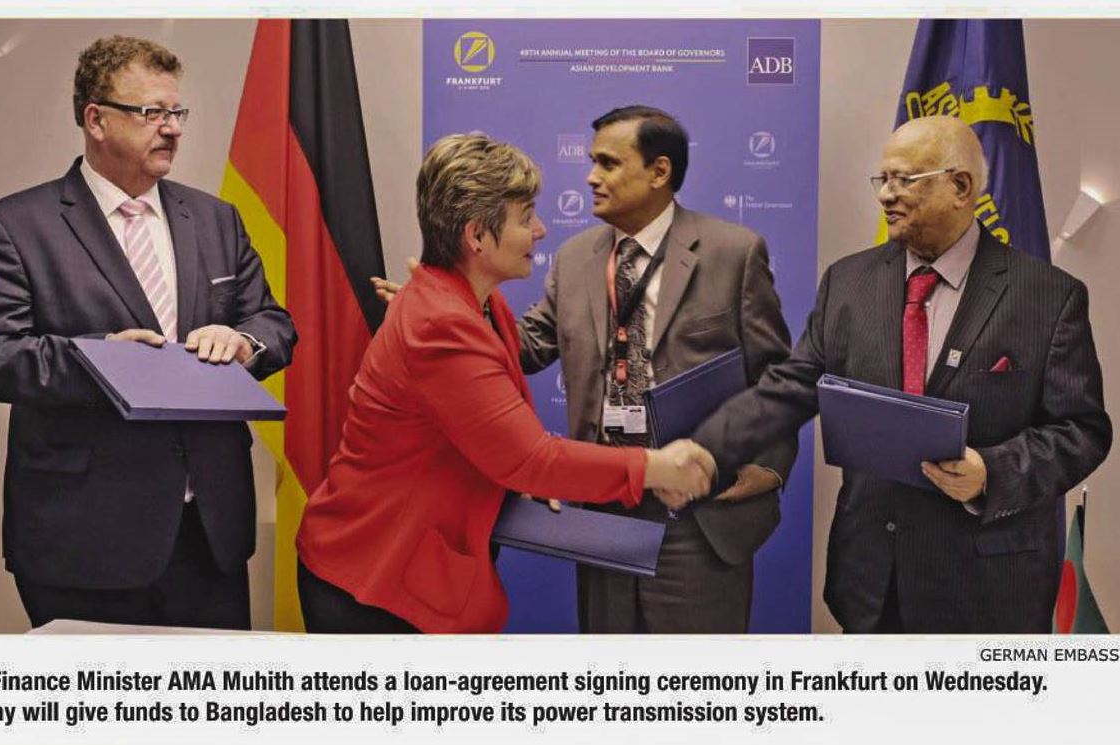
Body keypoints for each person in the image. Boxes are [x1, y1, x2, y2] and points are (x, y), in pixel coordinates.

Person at [378, 106, 796, 633]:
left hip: (697, 513)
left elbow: (778, 380)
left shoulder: (733, 252)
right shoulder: (575, 258)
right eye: (592, 161)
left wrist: (767, 469)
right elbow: (525, 346)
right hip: (601, 510)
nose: (591, 177)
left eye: (608, 163)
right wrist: (451, 312)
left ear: (659, 171)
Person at [694, 114, 1112, 633]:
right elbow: (791, 385)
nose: (886, 194)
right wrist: (710, 446)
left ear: (961, 187)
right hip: (872, 579)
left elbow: (1082, 431)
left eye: (905, 179)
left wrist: (991, 472)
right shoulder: (848, 281)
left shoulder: (1048, 296)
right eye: (883, 179)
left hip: (987, 587)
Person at [295, 133, 717, 634]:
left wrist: (530, 476)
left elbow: (495, 437)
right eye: (525, 217)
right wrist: (656, 468)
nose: (540, 230)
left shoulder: (478, 304)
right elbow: (532, 459)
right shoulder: (440, 323)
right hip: (372, 582)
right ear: (477, 236)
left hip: (405, 565)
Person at [0, 36, 297, 630]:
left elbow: (273, 322)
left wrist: (245, 343)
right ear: (97, 120)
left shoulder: (215, 219)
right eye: (151, 112)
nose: (172, 128)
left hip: (208, 533)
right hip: (85, 538)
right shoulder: (16, 226)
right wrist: (98, 362)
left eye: (177, 112)